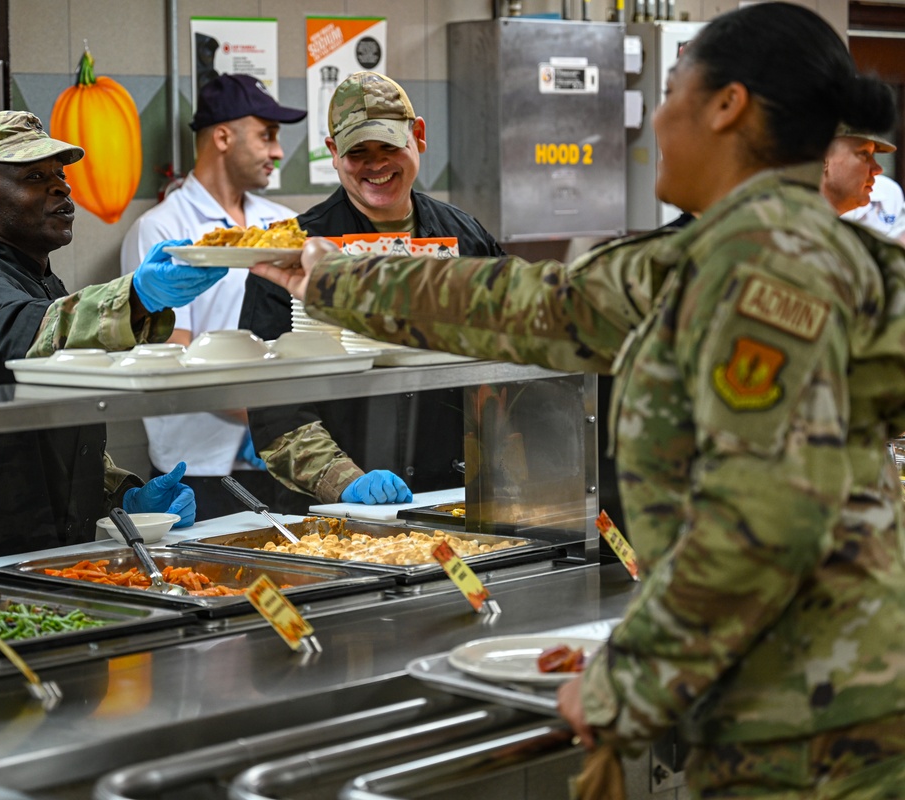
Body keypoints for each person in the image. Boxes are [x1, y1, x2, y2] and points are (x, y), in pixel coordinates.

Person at [251, 5, 905, 795]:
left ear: (727, 106)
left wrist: (625, 683)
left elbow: (758, 528)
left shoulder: (763, 272)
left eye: (670, 91)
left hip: (807, 727)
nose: (656, 118)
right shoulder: (725, 254)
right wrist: (331, 276)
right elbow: (531, 303)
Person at [0, 110, 228, 558]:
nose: (61, 187)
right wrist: (138, 296)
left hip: (57, 555)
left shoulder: (44, 283)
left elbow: (52, 437)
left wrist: (121, 495)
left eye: (59, 174)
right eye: (34, 177)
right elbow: (24, 338)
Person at [240, 71, 505, 511]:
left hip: (456, 496)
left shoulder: (468, 240)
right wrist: (344, 482)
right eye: (358, 153)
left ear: (418, 135)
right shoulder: (291, 252)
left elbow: (510, 367)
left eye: (389, 147)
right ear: (333, 153)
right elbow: (272, 405)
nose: (376, 165)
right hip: (337, 514)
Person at [121, 74, 307, 520]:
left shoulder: (281, 224)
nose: (278, 152)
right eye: (267, 135)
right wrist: (266, 419)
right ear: (223, 136)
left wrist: (284, 426)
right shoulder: (164, 230)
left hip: (285, 453)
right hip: (200, 470)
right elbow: (174, 354)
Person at [820, 124, 905, 241]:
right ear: (823, 158)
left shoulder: (889, 193)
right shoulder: (792, 217)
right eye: (864, 154)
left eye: (872, 154)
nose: (877, 169)